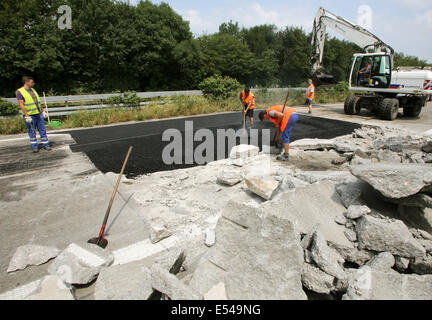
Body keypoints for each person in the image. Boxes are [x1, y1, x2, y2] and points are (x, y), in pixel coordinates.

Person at [16, 76, 51, 153]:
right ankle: (35, 146)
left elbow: (38, 102)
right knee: (32, 131)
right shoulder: (20, 92)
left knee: (42, 129)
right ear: (26, 82)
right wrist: (27, 116)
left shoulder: (33, 90)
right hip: (30, 115)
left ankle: (46, 144)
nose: (33, 83)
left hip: (38, 114)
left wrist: (42, 111)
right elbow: (21, 104)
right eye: (32, 82)